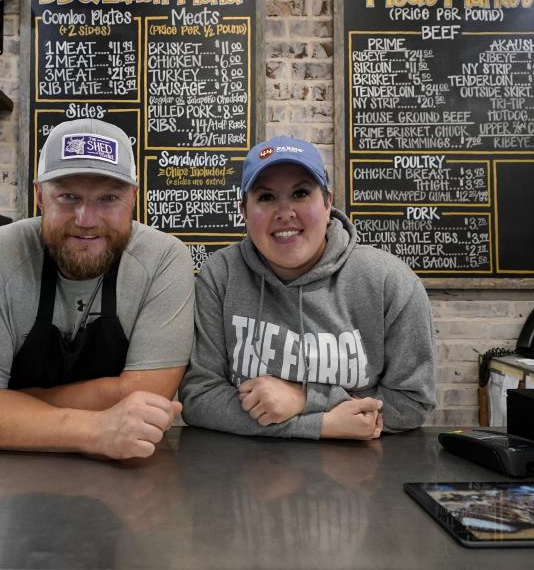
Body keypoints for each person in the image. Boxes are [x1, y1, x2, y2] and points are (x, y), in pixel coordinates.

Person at [0, 119, 195, 459]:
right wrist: (96, 430)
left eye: (109, 198)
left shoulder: (163, 258)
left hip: (125, 474)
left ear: (133, 197)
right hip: (5, 472)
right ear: (40, 195)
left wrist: (1, 404)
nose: (86, 219)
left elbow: (148, 397)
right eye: (68, 196)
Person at [179, 136, 436, 440]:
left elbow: (412, 402)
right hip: (245, 477)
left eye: (301, 193)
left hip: (359, 476)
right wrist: (322, 425)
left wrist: (303, 399)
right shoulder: (220, 275)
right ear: (244, 212)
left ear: (328, 202)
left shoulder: (389, 281)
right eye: (266, 197)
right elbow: (199, 397)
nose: (285, 211)